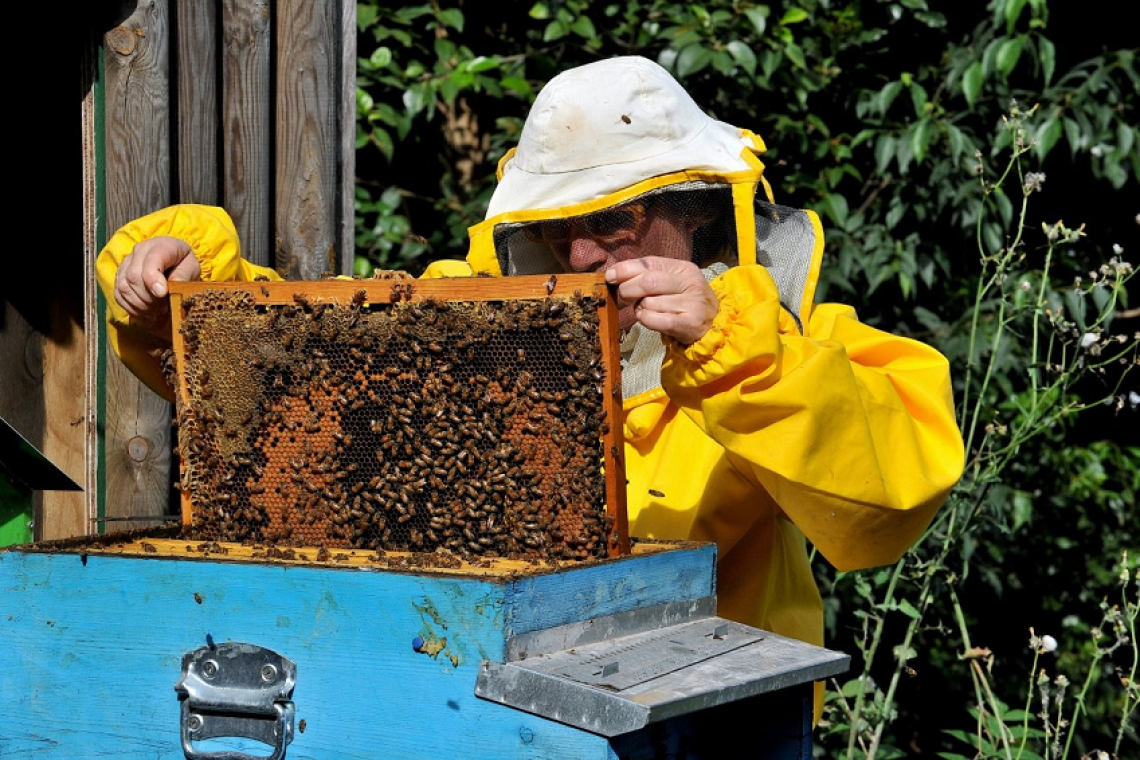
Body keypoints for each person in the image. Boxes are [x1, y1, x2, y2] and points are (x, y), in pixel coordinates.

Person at [97, 56, 965, 720]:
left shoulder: (799, 342)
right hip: (484, 704)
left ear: (697, 211)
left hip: (708, 721)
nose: (583, 256)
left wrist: (742, 354)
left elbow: (894, 502)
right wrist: (187, 293)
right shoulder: (469, 317)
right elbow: (308, 363)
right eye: (557, 231)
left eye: (613, 220)